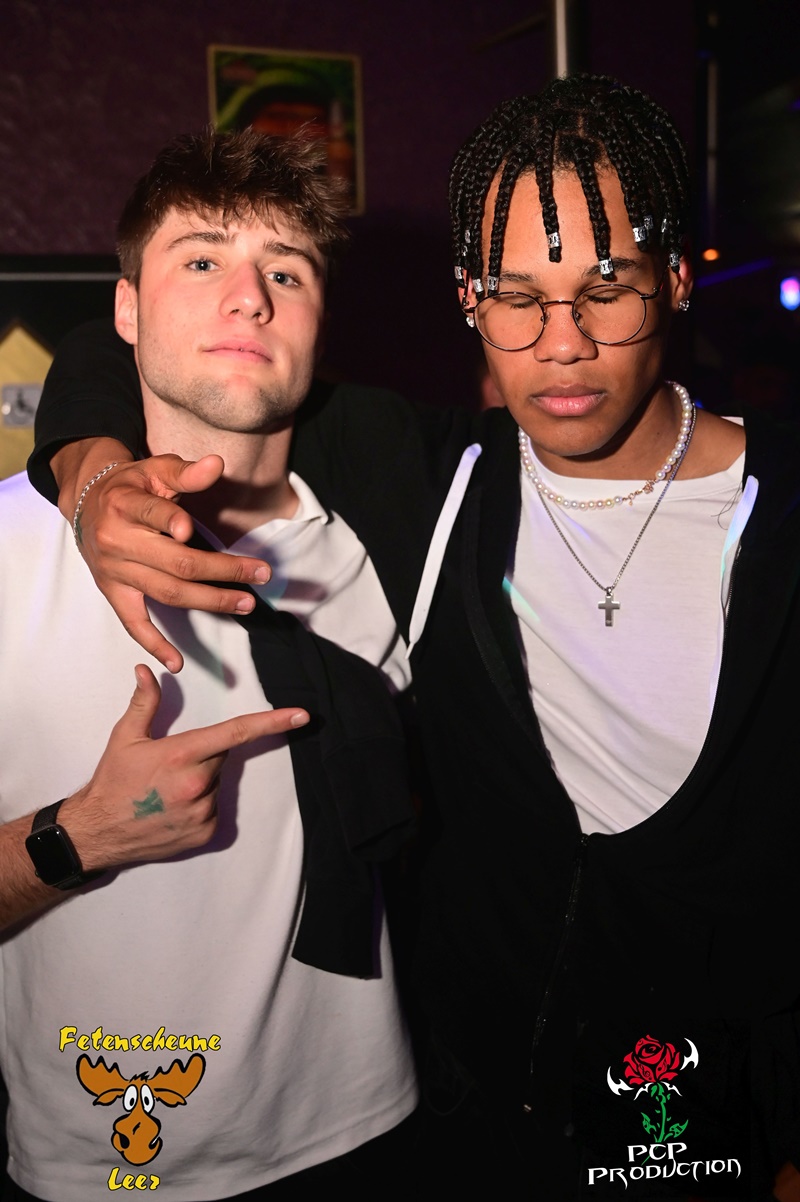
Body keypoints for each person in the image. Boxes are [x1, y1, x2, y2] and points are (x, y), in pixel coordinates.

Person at [29, 76, 800, 1199]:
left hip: (712, 1126)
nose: (562, 344)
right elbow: (185, 361)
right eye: (515, 297)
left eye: (606, 289)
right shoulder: (435, 479)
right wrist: (94, 471)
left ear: (675, 279)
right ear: (469, 303)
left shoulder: (781, 508)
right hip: (472, 1121)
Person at [1, 128, 419, 1202]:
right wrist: (76, 836)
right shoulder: (7, 555)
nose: (249, 298)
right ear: (126, 309)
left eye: (286, 271)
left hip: (365, 1127)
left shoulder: (399, 533)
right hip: (103, 1163)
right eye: (201, 260)